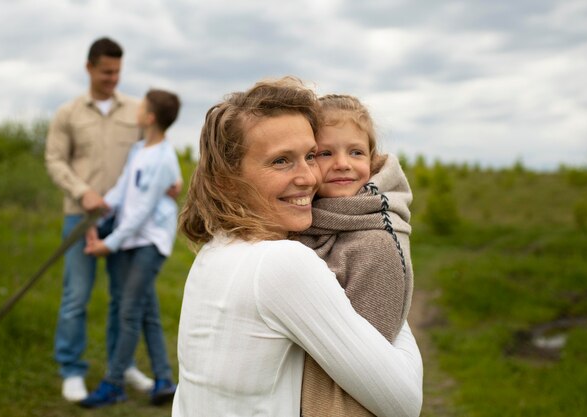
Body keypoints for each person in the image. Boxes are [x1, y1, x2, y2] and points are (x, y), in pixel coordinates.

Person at [173, 77, 422, 417]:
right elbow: (403, 403)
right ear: (226, 181)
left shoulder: (216, 248)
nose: (309, 177)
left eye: (309, 156)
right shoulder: (283, 263)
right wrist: (397, 268)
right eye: (281, 161)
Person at [45, 37, 156, 402]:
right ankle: (71, 369)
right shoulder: (68, 113)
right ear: (89, 67)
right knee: (76, 296)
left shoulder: (138, 110)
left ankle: (120, 365)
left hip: (126, 222)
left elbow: (152, 153)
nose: (112, 78)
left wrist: (165, 181)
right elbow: (55, 161)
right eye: (106, 71)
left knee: (125, 299)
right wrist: (82, 192)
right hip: (82, 218)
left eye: (117, 72)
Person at [298, 94, 415, 417]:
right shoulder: (307, 219)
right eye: (325, 153)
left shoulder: (374, 240)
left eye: (356, 152)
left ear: (373, 160)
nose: (342, 163)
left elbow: (366, 359)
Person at [79, 89, 182, 408]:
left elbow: (141, 211)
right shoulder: (139, 149)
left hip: (150, 242)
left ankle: (113, 384)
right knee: (147, 312)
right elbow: (123, 191)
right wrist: (101, 206)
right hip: (132, 239)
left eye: (142, 107)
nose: (137, 110)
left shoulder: (164, 158)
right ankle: (164, 381)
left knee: (127, 311)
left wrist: (108, 245)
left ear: (150, 118)